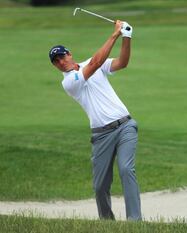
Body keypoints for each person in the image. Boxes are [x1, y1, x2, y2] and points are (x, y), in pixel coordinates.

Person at [49, 20, 141, 221]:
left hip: (125, 125)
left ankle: (135, 221)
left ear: (69, 54)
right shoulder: (69, 82)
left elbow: (122, 63)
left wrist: (127, 37)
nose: (60, 62)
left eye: (62, 56)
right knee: (100, 185)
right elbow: (95, 63)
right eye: (55, 61)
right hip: (101, 135)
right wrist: (115, 34)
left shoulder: (92, 63)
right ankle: (106, 222)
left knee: (126, 169)